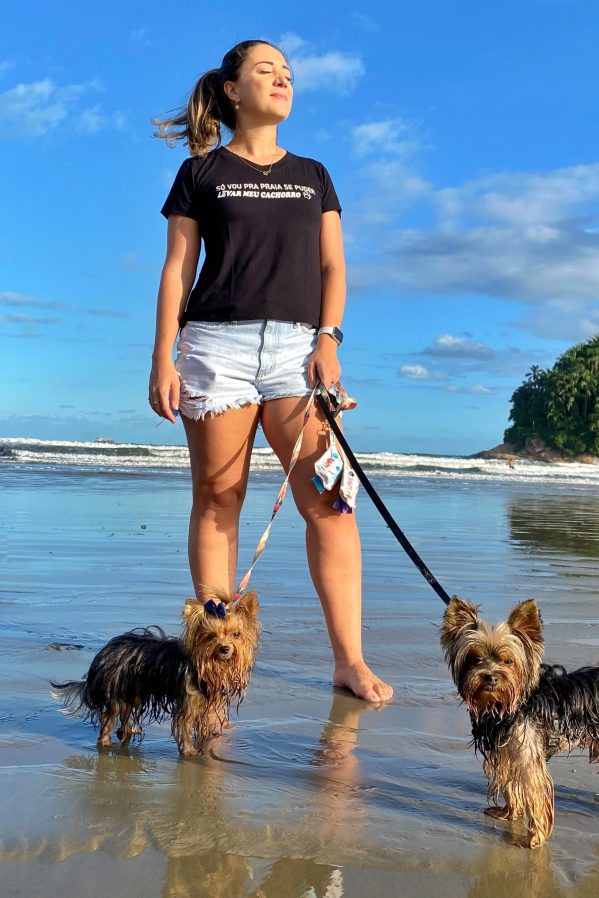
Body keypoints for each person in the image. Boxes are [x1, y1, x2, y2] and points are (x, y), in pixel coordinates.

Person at [149, 39, 392, 703]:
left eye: (287, 73)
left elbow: (333, 267)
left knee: (332, 506)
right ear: (231, 90)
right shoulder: (200, 173)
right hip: (214, 348)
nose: (281, 80)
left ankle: (349, 661)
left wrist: (329, 340)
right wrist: (161, 357)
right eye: (265, 70)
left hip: (297, 352)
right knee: (219, 500)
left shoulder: (313, 174)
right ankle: (214, 666)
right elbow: (177, 270)